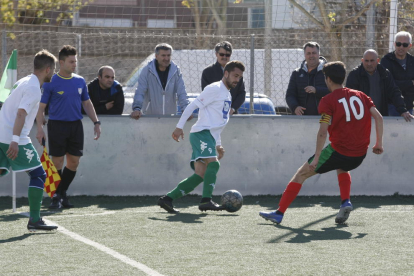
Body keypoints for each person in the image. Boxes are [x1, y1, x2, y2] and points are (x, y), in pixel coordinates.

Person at [260, 61, 384, 225]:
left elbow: (322, 132)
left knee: (301, 174)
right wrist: (379, 144)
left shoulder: (327, 100)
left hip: (338, 151)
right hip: (360, 154)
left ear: (328, 79)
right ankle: (345, 202)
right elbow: (379, 117)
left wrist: (317, 157)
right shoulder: (361, 95)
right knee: (342, 167)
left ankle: (279, 213)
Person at [157, 61, 245, 213]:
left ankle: (167, 199)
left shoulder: (227, 93)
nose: (237, 80)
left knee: (200, 175)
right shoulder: (214, 88)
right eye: (235, 75)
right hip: (201, 134)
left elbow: (217, 123)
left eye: (240, 77)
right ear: (226, 73)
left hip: (208, 136)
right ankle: (206, 201)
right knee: (214, 164)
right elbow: (192, 106)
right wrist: (179, 127)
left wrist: (218, 144)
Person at [36, 45, 101, 209]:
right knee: (57, 162)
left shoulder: (80, 81)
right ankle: (56, 197)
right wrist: (39, 128)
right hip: (57, 126)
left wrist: (96, 122)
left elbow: (86, 102)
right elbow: (41, 107)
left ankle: (61, 193)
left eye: (75, 61)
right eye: (71, 61)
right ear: (62, 62)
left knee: (73, 162)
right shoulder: (50, 82)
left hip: (75, 126)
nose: (74, 64)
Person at [0, 50, 58, 231]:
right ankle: (34, 220)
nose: (54, 74)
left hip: (2, 133)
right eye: (53, 70)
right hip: (12, 137)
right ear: (48, 69)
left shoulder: (24, 81)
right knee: (38, 174)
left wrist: (39, 126)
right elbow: (21, 113)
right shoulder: (33, 88)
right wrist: (15, 140)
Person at [346, 49, 413, 122]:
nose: (369, 64)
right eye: (366, 61)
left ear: (377, 61)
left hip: (381, 116)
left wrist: (402, 110)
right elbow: (349, 96)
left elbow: (394, 92)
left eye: (372, 61)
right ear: (362, 60)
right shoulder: (355, 75)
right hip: (360, 118)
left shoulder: (384, 74)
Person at [130, 43, 189, 119]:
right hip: (150, 118)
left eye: (168, 55)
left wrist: (186, 109)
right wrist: (137, 108)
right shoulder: (147, 70)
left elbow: (182, 92)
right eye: (163, 55)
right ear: (156, 56)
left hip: (170, 118)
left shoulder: (176, 71)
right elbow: (140, 90)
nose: (166, 58)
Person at [201, 41, 246, 115]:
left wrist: (232, 109)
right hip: (213, 114)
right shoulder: (207, 72)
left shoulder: (236, 72)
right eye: (221, 54)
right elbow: (206, 93)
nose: (224, 57)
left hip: (232, 115)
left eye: (227, 55)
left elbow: (241, 93)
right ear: (216, 54)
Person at [285, 42, 330, 115]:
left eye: (314, 53)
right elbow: (290, 95)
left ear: (319, 54)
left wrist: (316, 90)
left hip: (323, 117)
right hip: (301, 119)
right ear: (304, 55)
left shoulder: (328, 72)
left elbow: (333, 92)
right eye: (308, 53)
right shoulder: (296, 73)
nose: (311, 56)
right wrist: (295, 107)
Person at [381, 31, 414, 115]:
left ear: (410, 46)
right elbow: (388, 84)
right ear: (394, 44)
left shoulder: (412, 61)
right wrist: (410, 83)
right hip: (391, 106)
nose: (401, 47)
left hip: (408, 106)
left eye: (405, 45)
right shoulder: (386, 60)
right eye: (398, 44)